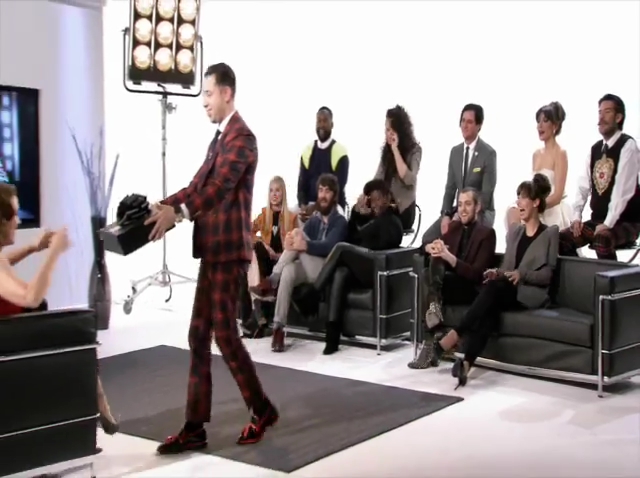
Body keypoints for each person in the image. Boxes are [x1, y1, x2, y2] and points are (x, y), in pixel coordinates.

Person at [145, 63, 278, 454]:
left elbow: (218, 189)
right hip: (212, 250)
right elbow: (196, 186)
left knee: (223, 334)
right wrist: (162, 206)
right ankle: (195, 427)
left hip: (228, 251)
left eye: (207, 93)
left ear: (226, 93)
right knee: (199, 334)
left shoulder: (243, 138)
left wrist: (179, 214)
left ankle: (262, 409)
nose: (203, 101)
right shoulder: (219, 140)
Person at [0, 184, 120, 446]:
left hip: (15, 333)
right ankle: (99, 401)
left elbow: (5, 263)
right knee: (77, 332)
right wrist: (54, 253)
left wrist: (34, 247)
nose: (18, 222)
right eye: (15, 215)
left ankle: (99, 402)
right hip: (16, 341)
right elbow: (30, 297)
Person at [418, 174, 558, 388]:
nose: (518, 203)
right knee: (490, 311)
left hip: (529, 294)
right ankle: (466, 364)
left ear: (536, 202)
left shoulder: (549, 234)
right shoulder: (515, 232)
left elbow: (548, 275)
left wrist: (522, 275)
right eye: (518, 197)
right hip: (507, 289)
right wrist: (496, 272)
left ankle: (455, 335)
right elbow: (506, 268)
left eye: (523, 198)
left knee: (493, 293)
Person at [250, 174, 348, 352]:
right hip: (307, 267)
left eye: (327, 191)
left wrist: (303, 244)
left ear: (334, 195)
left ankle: (272, 281)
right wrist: (290, 243)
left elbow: (329, 247)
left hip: (324, 270)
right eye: (320, 190)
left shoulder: (340, 222)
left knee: (298, 233)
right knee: (288, 270)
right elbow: (298, 243)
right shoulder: (315, 220)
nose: (323, 195)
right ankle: (278, 329)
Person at [408, 188, 496, 369]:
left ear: (478, 207)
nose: (463, 209)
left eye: (468, 204)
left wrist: (449, 257)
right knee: (430, 265)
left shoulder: (487, 234)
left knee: (434, 269)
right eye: (460, 204)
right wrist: (431, 248)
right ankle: (434, 324)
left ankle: (431, 337)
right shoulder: (454, 228)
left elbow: (476, 274)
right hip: (449, 284)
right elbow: (425, 246)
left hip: (471, 289)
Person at [321, 179, 404, 355]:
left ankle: (314, 291)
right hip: (363, 269)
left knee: (341, 248)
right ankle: (332, 337)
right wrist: (357, 214)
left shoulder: (392, 220)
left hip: (378, 271)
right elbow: (352, 238)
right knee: (341, 273)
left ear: (387, 198)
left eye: (378, 199)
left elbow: (379, 244)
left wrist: (365, 230)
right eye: (371, 200)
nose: (375, 204)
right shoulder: (371, 219)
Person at [559, 94, 640, 261]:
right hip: (598, 221)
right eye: (599, 112)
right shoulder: (594, 149)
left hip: (626, 223)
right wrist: (576, 217)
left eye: (607, 112)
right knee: (559, 240)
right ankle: (581, 274)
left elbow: (622, 192)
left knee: (601, 239)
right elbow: (583, 186)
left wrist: (607, 224)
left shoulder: (628, 146)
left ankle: (612, 277)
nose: (601, 117)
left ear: (618, 117)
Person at [422, 104, 497, 245]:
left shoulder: (488, 153)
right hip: (459, 209)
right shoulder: (455, 152)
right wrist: (446, 214)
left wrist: (463, 214)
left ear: (479, 125)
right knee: (428, 238)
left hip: (479, 212)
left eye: (470, 122)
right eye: (463, 121)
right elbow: (450, 189)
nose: (465, 126)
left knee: (456, 237)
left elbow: (486, 195)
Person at [240, 176, 298, 338]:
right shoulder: (264, 214)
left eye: (278, 190)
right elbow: (248, 232)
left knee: (251, 268)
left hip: (281, 261)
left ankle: (258, 319)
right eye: (271, 191)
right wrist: (265, 246)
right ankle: (256, 316)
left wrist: (278, 254)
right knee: (256, 249)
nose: (274, 194)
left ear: (283, 193)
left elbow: (295, 245)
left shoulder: (291, 217)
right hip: (265, 260)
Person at [505, 101, 571, 229]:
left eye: (545, 121)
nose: (540, 126)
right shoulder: (536, 154)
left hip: (551, 208)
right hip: (535, 204)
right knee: (512, 211)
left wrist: (536, 205)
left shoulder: (560, 153)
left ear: (555, 126)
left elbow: (558, 195)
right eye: (538, 121)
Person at [373, 105, 422, 230]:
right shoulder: (386, 151)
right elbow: (377, 179)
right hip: (386, 207)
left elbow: (409, 179)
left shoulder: (415, 150)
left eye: (389, 130)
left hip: (403, 210)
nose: (386, 133)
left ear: (398, 131)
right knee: (359, 214)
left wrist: (395, 150)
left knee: (380, 222)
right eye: (386, 129)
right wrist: (366, 195)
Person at [297, 107, 349, 220]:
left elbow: (337, 189)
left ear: (332, 124)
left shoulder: (340, 152)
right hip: (309, 205)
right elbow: (301, 185)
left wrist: (316, 208)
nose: (321, 125)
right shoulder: (307, 151)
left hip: (332, 206)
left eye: (325, 121)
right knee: (290, 215)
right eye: (319, 121)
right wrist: (303, 206)